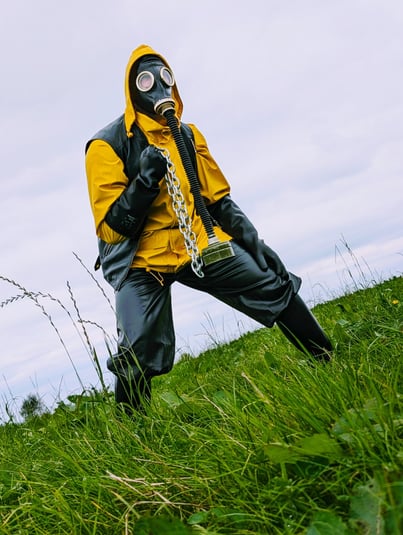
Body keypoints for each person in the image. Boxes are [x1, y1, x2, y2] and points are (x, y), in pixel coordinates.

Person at [85, 44, 332, 415]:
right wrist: (144, 183)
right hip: (141, 261)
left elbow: (218, 201)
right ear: (133, 89)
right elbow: (112, 230)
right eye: (147, 80)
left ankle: (327, 361)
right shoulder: (107, 146)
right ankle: (133, 430)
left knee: (273, 281)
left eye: (165, 79)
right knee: (137, 348)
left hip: (197, 243)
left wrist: (256, 244)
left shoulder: (188, 135)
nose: (159, 89)